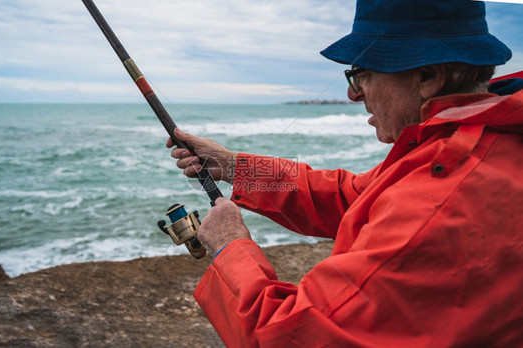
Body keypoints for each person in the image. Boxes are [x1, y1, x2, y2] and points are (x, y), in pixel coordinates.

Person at [167, 0, 523, 346]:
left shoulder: (439, 200)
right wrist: (234, 166)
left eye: (361, 74)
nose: (354, 95)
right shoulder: (477, 140)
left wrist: (230, 247)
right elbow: (351, 195)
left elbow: (290, 335)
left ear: (428, 77)